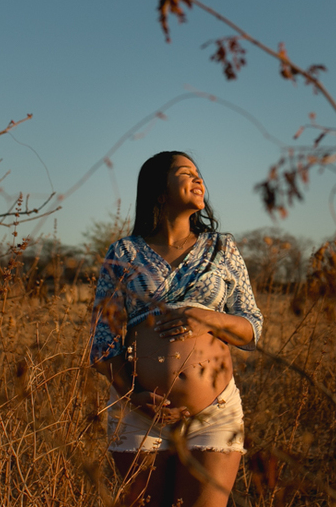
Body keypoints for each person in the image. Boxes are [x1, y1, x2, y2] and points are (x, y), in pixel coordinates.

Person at [90, 151, 263, 507]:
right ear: (159, 192)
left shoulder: (221, 247)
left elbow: (252, 329)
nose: (199, 179)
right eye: (185, 173)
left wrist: (209, 318)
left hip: (214, 411)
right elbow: (101, 342)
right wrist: (132, 395)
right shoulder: (124, 253)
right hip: (139, 412)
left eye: (199, 173)